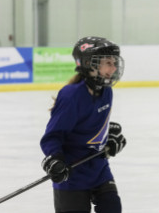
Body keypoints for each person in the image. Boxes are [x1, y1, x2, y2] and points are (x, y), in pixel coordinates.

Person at [40, 36, 127, 213]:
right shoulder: (71, 95)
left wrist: (109, 139)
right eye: (108, 62)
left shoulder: (106, 91)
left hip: (98, 169)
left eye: (114, 62)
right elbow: (52, 137)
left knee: (112, 207)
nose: (114, 68)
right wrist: (55, 160)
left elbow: (93, 125)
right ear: (90, 64)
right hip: (72, 174)